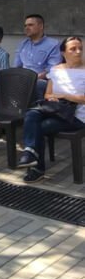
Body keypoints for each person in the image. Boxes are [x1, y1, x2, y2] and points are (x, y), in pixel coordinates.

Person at [17, 36, 85, 183]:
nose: (78, 52)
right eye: (73, 49)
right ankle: (30, 152)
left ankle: (37, 167)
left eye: (80, 48)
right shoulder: (56, 70)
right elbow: (48, 93)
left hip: (78, 117)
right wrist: (52, 98)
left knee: (40, 127)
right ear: (63, 53)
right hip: (58, 110)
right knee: (32, 114)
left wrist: (65, 96)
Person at [0, 14, 60, 113]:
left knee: (37, 85)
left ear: (41, 26)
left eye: (30, 25)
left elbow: (52, 70)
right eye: (25, 26)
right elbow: (16, 66)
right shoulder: (23, 44)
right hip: (20, 77)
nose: (26, 28)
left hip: (39, 80)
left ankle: (31, 116)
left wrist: (35, 78)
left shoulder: (53, 44)